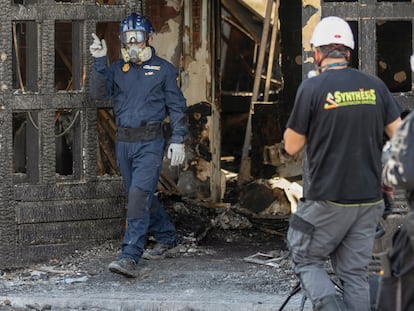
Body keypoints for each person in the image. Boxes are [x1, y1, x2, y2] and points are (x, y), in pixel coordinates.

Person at [283, 16, 402, 310]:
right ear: (348, 52)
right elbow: (400, 136)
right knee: (355, 275)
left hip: (328, 198)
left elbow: (292, 145)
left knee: (306, 257)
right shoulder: (374, 86)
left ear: (317, 53)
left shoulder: (312, 89)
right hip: (368, 200)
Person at [89, 13, 188, 278]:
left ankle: (130, 255)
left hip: (150, 143)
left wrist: (178, 139)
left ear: (150, 39)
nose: (133, 45)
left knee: (137, 196)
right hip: (124, 142)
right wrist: (99, 60)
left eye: (138, 38)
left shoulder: (164, 71)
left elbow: (177, 107)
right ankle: (166, 235)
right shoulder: (116, 70)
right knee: (139, 193)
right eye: (127, 39)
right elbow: (98, 94)